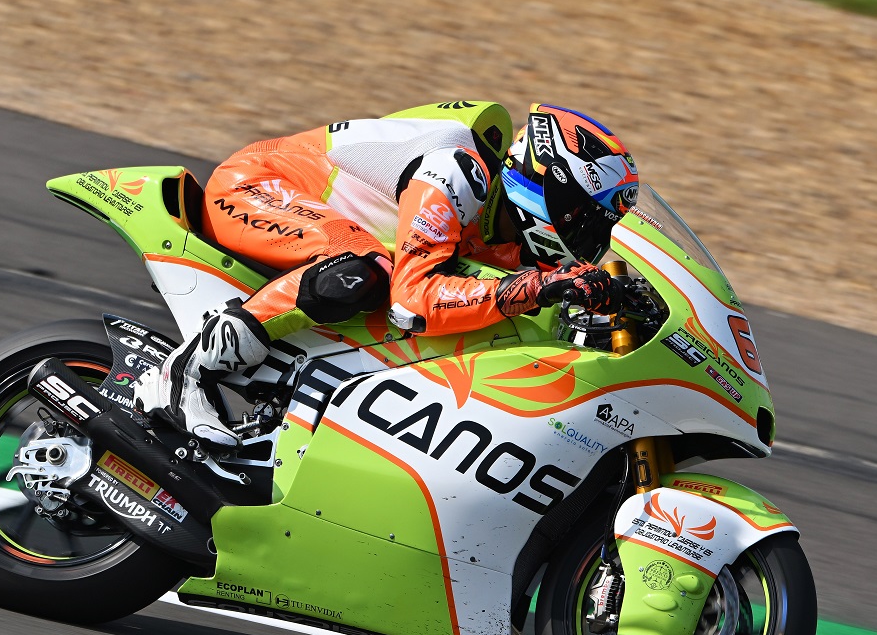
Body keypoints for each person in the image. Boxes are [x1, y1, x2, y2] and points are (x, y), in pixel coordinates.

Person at [134, 102, 640, 447]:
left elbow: (494, 292)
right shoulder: (458, 171)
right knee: (364, 269)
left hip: (320, 220)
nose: (590, 238)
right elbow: (412, 303)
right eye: (585, 218)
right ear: (550, 189)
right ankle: (186, 373)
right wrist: (535, 288)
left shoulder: (511, 235)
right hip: (259, 186)